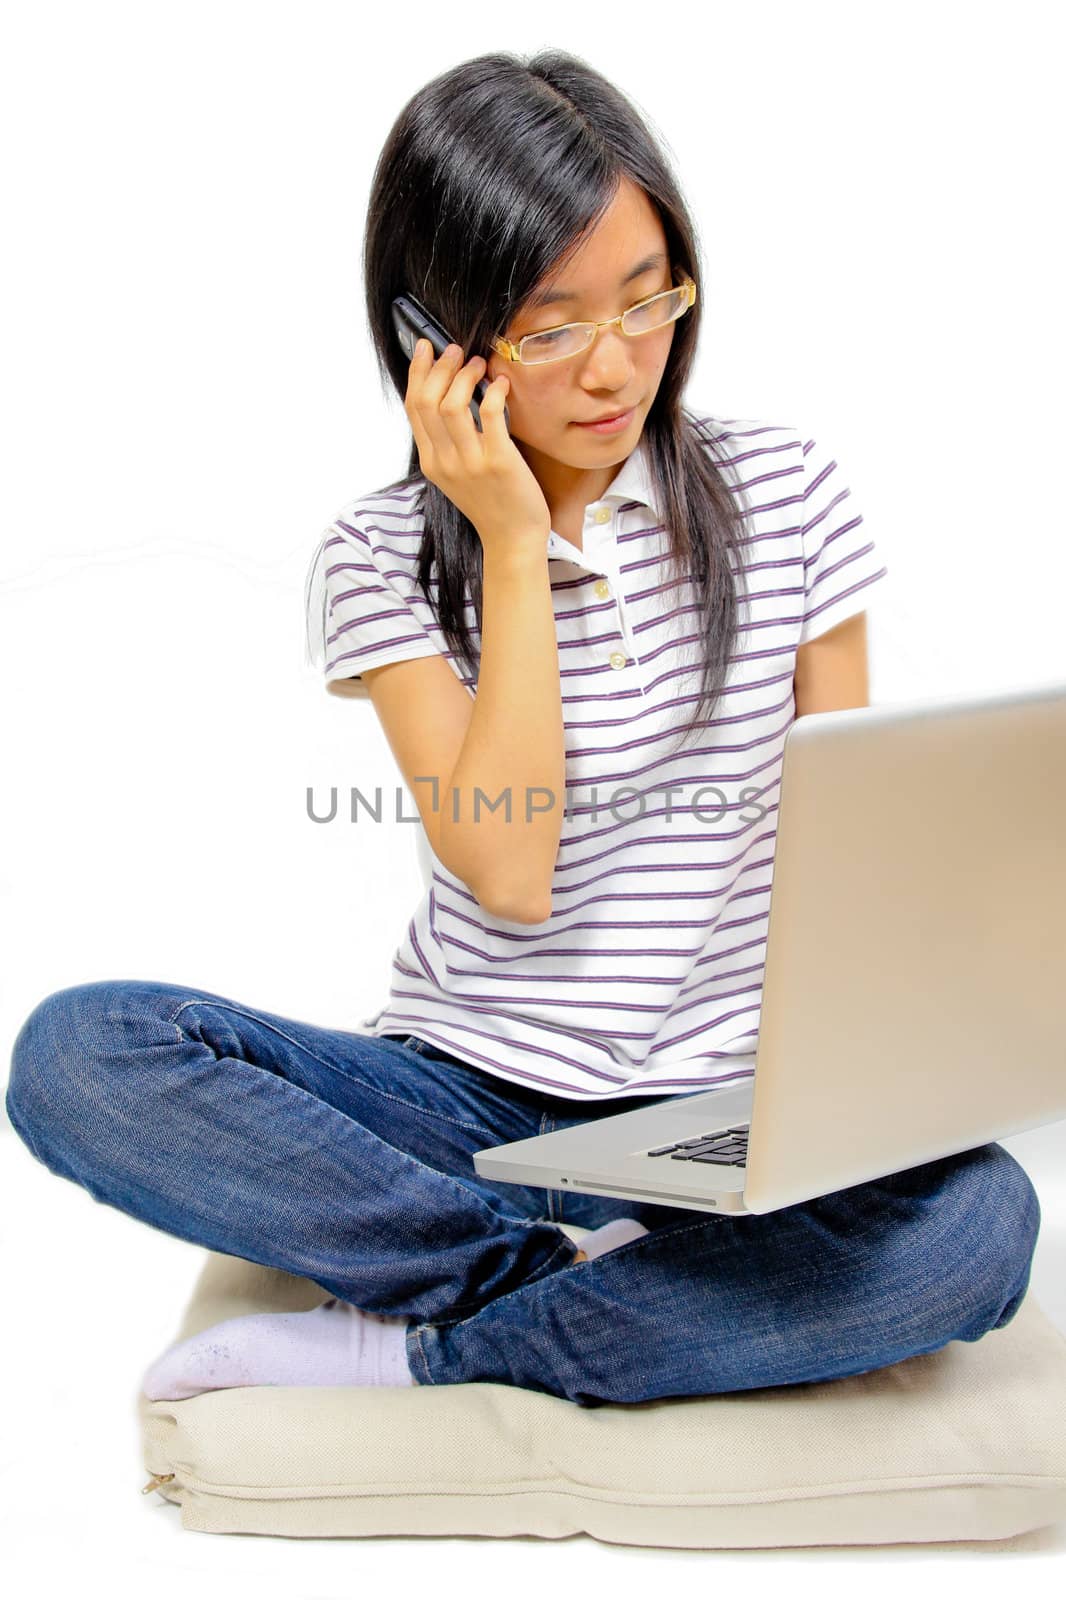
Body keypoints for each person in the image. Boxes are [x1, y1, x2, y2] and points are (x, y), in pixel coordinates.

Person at [4, 50, 1040, 1410]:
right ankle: (545, 1279)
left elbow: (849, 860)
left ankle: (425, 1347)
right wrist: (507, 538)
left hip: (728, 1110)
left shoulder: (784, 494)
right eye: (550, 327)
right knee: (80, 1053)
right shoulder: (378, 559)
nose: (615, 368)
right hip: (466, 1109)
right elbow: (511, 867)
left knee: (980, 1230)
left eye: (646, 300)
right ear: (438, 337)